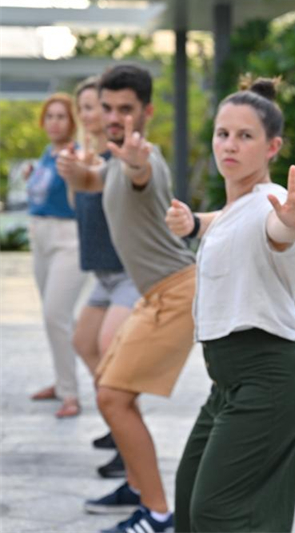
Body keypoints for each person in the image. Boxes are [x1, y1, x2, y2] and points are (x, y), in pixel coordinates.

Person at [165, 77, 295, 533]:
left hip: (268, 376)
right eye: (222, 133)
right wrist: (193, 222)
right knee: (190, 499)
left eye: (245, 136)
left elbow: (277, 228)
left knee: (217, 511)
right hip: (228, 383)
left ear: (273, 147)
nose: (229, 145)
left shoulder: (271, 207)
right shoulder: (235, 207)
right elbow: (226, 220)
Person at [74, 65, 196, 533]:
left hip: (177, 292)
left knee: (112, 397)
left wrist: (135, 160)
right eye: (107, 108)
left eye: (125, 109)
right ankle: (142, 491)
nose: (114, 118)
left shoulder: (143, 159)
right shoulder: (111, 161)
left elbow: (141, 171)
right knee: (111, 389)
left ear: (146, 111)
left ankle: (158, 514)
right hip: (156, 294)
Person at [56, 76, 141, 477]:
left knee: (112, 355)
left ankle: (126, 437)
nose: (94, 115)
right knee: (83, 341)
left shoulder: (118, 157)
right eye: (88, 108)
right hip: (103, 272)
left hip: (126, 270)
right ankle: (117, 418)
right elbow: (79, 202)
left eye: (99, 107)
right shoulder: (85, 155)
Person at [26, 93, 89, 418]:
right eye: (49, 116)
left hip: (68, 239)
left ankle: (71, 396)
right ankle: (62, 381)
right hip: (40, 239)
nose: (54, 122)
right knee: (55, 318)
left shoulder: (73, 155)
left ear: (72, 121)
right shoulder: (47, 155)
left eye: (61, 116)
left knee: (56, 315)